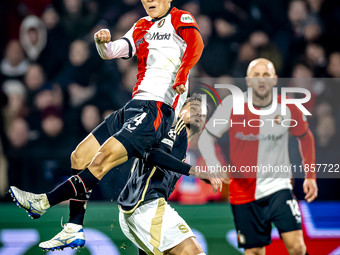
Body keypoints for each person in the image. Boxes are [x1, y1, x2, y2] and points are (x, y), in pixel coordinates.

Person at [9, 0, 204, 249]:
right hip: (134, 105)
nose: (150, 1)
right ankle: (73, 228)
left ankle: (45, 201)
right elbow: (113, 51)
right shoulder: (141, 25)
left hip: (157, 109)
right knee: (80, 156)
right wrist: (102, 44)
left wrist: (183, 72)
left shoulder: (181, 19)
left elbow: (197, 45)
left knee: (102, 159)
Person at [198, 58, 318, 255]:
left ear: (274, 80)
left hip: (279, 187)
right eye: (256, 75)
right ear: (247, 80)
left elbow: (305, 137)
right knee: (254, 251)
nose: (261, 80)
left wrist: (310, 176)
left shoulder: (289, 107)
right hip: (243, 190)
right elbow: (206, 138)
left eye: (266, 75)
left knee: (297, 247)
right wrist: (214, 164)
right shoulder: (231, 105)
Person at [118, 94, 220, 255]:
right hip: (147, 205)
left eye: (203, 115)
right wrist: (194, 171)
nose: (198, 115)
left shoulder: (176, 140)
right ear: (181, 111)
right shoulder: (175, 125)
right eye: (193, 109)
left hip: (133, 210)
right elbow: (154, 155)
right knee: (193, 252)